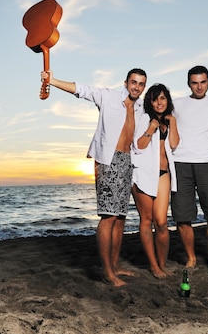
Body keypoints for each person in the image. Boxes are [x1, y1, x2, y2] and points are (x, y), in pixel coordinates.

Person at [41, 68, 147, 287]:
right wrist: (51, 80)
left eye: (141, 84)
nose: (137, 87)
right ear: (126, 82)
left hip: (128, 162)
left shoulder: (139, 107)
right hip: (109, 161)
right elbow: (80, 90)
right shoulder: (108, 96)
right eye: (134, 82)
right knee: (108, 217)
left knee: (120, 218)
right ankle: (107, 272)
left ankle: (115, 266)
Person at [171, 65, 208, 272]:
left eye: (203, 82)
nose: (199, 87)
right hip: (180, 164)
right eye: (195, 83)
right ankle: (191, 258)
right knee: (182, 216)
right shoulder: (177, 104)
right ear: (188, 84)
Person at [131, 84, 179, 278]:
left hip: (163, 173)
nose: (159, 102)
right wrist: (151, 127)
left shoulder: (170, 121)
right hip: (143, 173)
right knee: (147, 220)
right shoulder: (143, 118)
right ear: (149, 102)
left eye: (162, 98)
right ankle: (153, 266)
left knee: (161, 222)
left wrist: (173, 123)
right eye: (155, 99)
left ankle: (161, 263)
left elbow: (174, 144)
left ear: (167, 100)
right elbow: (139, 146)